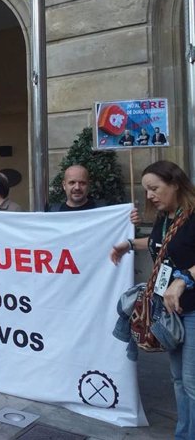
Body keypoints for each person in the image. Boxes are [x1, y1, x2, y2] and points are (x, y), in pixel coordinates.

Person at [110, 161, 195, 439]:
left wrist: (184, 279)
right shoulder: (166, 215)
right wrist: (130, 244)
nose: (149, 195)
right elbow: (161, 243)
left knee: (192, 382)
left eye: (155, 188)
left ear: (176, 184)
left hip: (192, 310)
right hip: (171, 311)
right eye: (147, 190)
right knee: (179, 379)